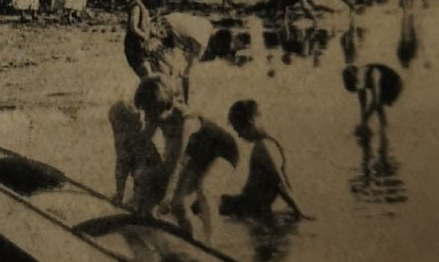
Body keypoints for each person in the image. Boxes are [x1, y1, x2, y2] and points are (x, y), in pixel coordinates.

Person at [136, 75, 240, 241]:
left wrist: (164, 198)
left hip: (223, 151)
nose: (149, 119)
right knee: (179, 205)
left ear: (164, 108)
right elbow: (142, 144)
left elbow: (175, 165)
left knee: (204, 188)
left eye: (152, 114)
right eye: (147, 113)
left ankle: (211, 243)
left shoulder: (186, 122)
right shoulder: (157, 111)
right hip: (198, 153)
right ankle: (190, 240)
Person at [222, 99, 309, 221]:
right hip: (248, 206)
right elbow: (282, 184)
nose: (239, 136)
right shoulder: (268, 144)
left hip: (246, 207)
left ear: (250, 122)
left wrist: (300, 212)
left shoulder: (264, 147)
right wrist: (297, 209)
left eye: (239, 130)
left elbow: (281, 184)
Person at [108, 97, 164, 213]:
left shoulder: (140, 142)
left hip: (155, 185)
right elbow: (121, 168)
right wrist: (119, 194)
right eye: (116, 130)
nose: (117, 134)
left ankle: (145, 208)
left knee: (142, 178)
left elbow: (144, 173)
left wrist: (136, 200)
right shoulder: (122, 142)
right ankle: (139, 205)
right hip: (143, 185)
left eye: (120, 130)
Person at [343, 62, 402, 137]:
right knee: (375, 105)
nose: (358, 86)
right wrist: (363, 121)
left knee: (377, 104)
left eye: (357, 83)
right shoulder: (361, 76)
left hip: (394, 84)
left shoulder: (372, 73)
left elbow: (375, 100)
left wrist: (365, 118)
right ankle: (383, 127)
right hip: (385, 85)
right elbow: (362, 103)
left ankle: (384, 128)